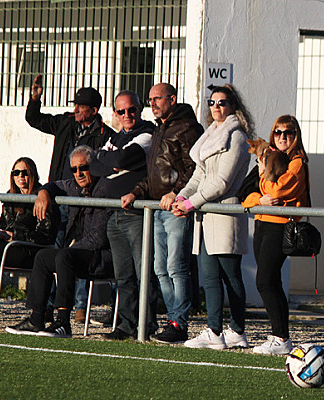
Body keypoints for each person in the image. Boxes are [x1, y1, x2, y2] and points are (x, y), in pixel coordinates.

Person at [26, 74, 113, 323]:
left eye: (80, 107)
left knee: (81, 249)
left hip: (86, 202)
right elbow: (34, 119)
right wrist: (35, 99)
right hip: (60, 198)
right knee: (56, 250)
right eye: (75, 105)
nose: (75, 110)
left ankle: (80, 306)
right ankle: (49, 305)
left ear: (94, 111)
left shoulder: (106, 135)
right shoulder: (66, 122)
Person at [171, 84, 252, 350]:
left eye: (222, 102)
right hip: (205, 214)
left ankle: (237, 330)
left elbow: (222, 182)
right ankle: (214, 331)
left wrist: (190, 204)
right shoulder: (210, 135)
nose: (216, 107)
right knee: (210, 278)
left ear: (233, 105)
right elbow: (199, 176)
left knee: (231, 276)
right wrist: (181, 198)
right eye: (212, 102)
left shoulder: (237, 136)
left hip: (225, 213)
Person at [122, 82, 203, 344]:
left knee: (176, 267)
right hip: (158, 207)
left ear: (172, 99)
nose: (153, 104)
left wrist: (177, 193)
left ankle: (179, 323)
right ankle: (172, 320)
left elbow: (195, 169)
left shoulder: (187, 128)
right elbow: (154, 174)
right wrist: (136, 192)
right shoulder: (159, 128)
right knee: (160, 268)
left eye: (157, 98)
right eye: (150, 99)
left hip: (177, 208)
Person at [6, 146, 112, 337]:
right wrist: (43, 193)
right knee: (43, 257)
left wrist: (71, 249)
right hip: (77, 254)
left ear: (94, 166)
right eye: (74, 169)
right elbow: (55, 185)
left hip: (102, 256)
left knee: (63, 255)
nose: (78, 173)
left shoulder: (104, 188)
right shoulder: (74, 186)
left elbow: (98, 238)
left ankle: (63, 322)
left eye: (83, 168)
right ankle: (36, 319)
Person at [241, 115, 310, 355]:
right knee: (272, 282)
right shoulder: (267, 157)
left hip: (280, 226)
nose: (282, 137)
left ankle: (280, 337)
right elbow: (245, 194)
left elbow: (279, 189)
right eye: (277, 132)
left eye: (288, 132)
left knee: (265, 281)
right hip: (262, 222)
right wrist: (259, 200)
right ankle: (280, 336)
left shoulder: (297, 163)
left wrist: (262, 176)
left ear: (295, 135)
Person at [91, 90, 157, 340]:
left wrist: (108, 159)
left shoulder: (148, 133)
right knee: (123, 275)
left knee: (143, 273)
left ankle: (146, 325)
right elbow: (94, 165)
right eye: (122, 111)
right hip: (114, 215)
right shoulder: (116, 136)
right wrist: (110, 160)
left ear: (140, 109)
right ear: (115, 113)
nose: (127, 115)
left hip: (136, 215)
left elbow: (125, 157)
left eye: (132, 109)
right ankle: (127, 325)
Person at [0, 158, 59, 328]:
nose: (20, 176)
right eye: (16, 173)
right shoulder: (11, 195)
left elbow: (45, 236)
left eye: (24, 172)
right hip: (8, 248)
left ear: (32, 174)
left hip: (28, 251)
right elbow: (4, 225)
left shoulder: (42, 197)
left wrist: (13, 235)